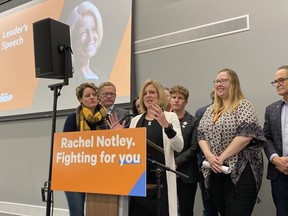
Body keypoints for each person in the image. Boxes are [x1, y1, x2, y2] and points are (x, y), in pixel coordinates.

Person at [197, 68, 265, 216]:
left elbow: (246, 134)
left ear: (233, 83)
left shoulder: (243, 105)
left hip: (241, 171)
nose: (219, 84)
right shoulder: (210, 110)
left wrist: (221, 158)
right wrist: (209, 156)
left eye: (223, 81)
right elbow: (200, 135)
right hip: (215, 171)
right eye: (217, 81)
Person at [128, 79, 184, 216]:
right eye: (145, 93)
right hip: (139, 178)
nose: (148, 95)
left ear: (159, 95)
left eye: (152, 92)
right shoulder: (135, 120)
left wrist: (166, 125)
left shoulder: (170, 117)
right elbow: (130, 150)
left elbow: (179, 146)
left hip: (161, 177)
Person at [63, 83, 109, 216]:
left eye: (94, 95)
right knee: (77, 212)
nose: (92, 97)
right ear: (80, 99)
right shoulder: (73, 118)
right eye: (87, 95)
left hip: (99, 172)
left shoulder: (105, 118)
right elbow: (65, 146)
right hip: (75, 173)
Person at [170, 85, 199, 216]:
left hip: (186, 173)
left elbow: (194, 147)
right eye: (173, 97)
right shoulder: (164, 119)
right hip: (166, 171)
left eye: (180, 98)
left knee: (186, 211)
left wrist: (176, 163)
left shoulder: (193, 121)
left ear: (186, 101)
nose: (176, 100)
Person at [263, 65, 288, 216]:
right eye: (275, 81)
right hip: (279, 173)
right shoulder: (271, 109)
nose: (277, 84)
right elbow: (266, 137)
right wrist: (275, 159)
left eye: (281, 80)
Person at [66, 1, 108, 85]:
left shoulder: (101, 75)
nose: (90, 38)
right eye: (83, 32)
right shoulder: (70, 78)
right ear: (72, 37)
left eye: (93, 29)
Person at [195, 89, 219, 216]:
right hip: (206, 166)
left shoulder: (237, 109)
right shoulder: (202, 112)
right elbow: (198, 138)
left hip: (228, 165)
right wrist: (205, 160)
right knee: (209, 207)